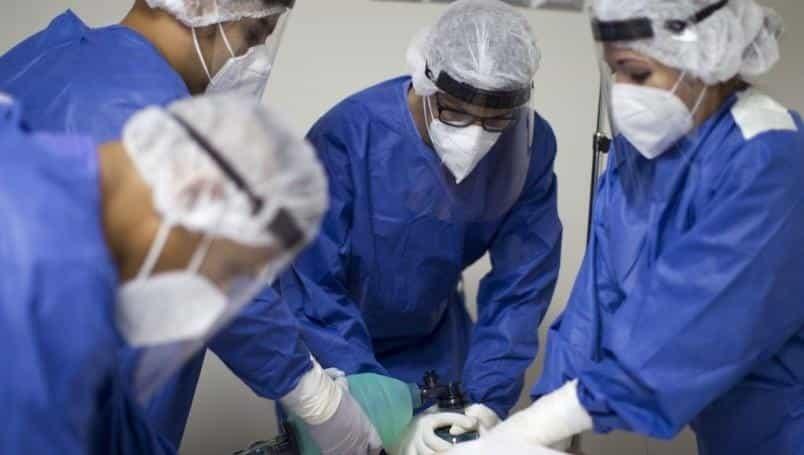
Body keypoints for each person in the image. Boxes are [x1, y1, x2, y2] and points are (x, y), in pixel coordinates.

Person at [446, 1, 804, 454]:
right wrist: (546, 411)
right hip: (726, 428)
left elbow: (697, 326)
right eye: (614, 70)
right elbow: (598, 299)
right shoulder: (640, 154)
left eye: (636, 73)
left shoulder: (769, 156)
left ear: (705, 59)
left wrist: (545, 423)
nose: (621, 91)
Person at [0, 0, 322, 448]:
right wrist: (317, 396)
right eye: (253, 34)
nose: (258, 60)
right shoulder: (155, 119)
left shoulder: (37, 56)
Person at [0, 92, 382, 454]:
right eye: (230, 270)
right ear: (197, 192)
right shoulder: (44, 284)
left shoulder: (36, 158)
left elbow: (113, 426)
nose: (220, 294)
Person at [269, 1, 562, 453]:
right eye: (455, 112)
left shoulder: (527, 145)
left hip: (435, 343)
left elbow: (522, 284)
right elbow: (312, 287)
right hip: (334, 344)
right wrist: (373, 406)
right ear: (427, 84)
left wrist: (488, 398)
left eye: (495, 120)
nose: (476, 133)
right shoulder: (348, 136)